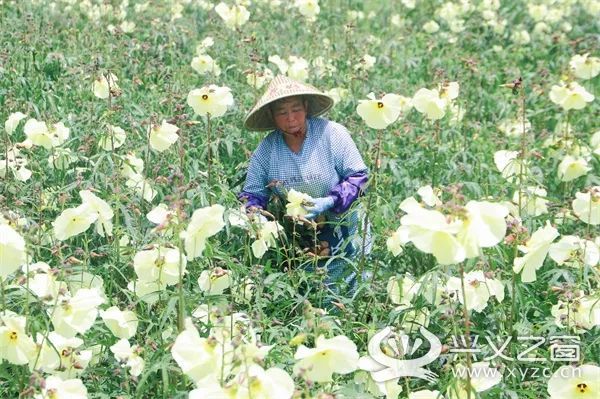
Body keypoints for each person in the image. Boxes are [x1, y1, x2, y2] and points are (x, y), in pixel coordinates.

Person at [238, 75, 371, 297]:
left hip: (346, 231)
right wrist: (256, 218)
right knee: (312, 299)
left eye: (295, 109)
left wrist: (329, 201)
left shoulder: (331, 133)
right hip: (301, 240)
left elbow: (359, 178)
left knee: (352, 297)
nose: (290, 118)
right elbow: (251, 195)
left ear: (306, 107)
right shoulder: (267, 150)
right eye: (282, 112)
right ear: (272, 116)